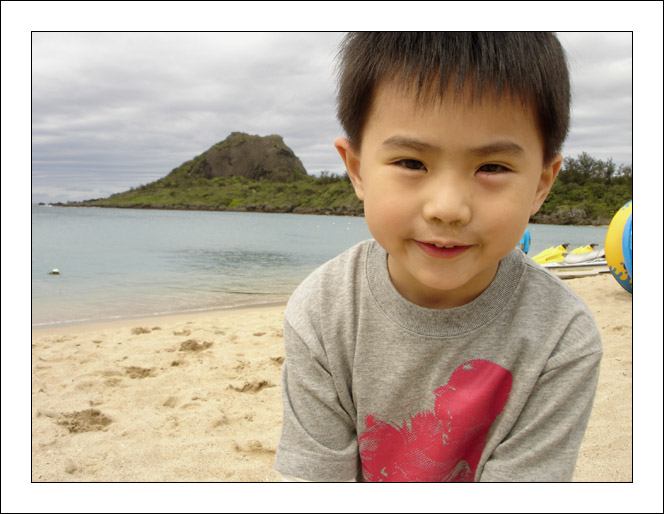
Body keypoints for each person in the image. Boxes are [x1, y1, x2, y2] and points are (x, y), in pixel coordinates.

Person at [274, 32, 602, 482]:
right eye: (412, 163)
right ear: (357, 169)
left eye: (492, 167)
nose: (447, 209)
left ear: (541, 184)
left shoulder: (561, 337)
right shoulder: (324, 310)